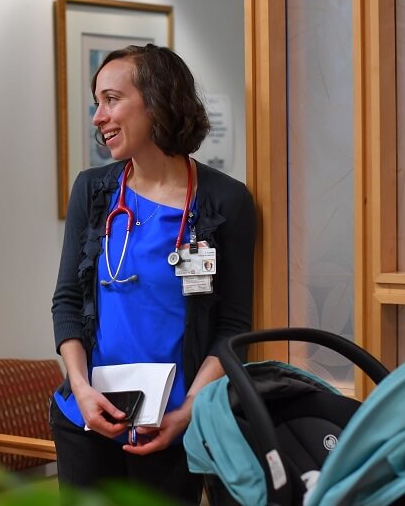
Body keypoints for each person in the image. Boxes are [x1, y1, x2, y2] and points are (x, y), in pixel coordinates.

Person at [49, 43, 256, 504]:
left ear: (158, 102)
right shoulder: (93, 191)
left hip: (170, 423)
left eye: (112, 100)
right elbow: (66, 301)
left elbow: (233, 328)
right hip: (88, 415)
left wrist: (186, 414)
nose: (99, 117)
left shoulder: (225, 202)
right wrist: (80, 389)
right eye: (96, 102)